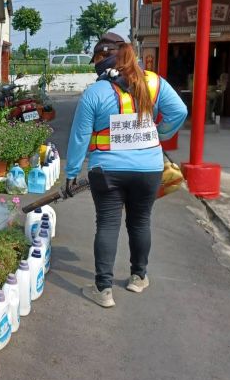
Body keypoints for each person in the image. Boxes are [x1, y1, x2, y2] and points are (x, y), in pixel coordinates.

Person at [64, 33, 188, 308]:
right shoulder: (154, 82)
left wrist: (71, 173)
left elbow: (80, 136)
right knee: (140, 221)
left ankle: (104, 290)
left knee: (107, 224)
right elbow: (179, 111)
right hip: (149, 168)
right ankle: (138, 277)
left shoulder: (96, 92)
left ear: (104, 59)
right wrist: (160, 132)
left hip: (107, 169)